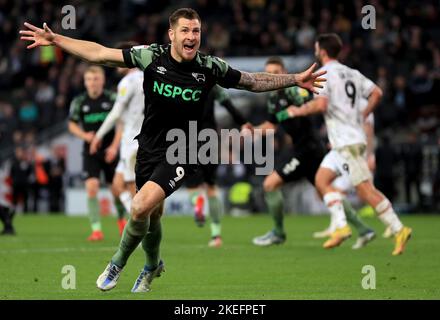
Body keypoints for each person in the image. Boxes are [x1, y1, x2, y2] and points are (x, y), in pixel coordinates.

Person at [20, 7, 325, 293]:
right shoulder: (150, 56)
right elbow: (100, 54)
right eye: (186, 31)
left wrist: (294, 79)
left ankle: (117, 263)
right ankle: (153, 265)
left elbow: (252, 81)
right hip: (149, 147)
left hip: (185, 147)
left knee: (139, 207)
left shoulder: (208, 66)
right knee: (151, 217)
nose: (192, 36)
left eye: (197, 31)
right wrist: (56, 39)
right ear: (172, 34)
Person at [286, 33, 412, 255]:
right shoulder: (351, 73)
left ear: (322, 51)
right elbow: (377, 93)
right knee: (321, 180)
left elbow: (321, 105)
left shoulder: (324, 73)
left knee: (365, 190)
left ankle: (398, 228)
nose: (316, 51)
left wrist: (298, 110)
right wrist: (363, 114)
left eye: (317, 48)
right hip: (344, 142)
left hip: (349, 142)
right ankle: (342, 226)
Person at [245, 57, 373, 248]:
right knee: (325, 192)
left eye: (276, 71)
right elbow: (271, 126)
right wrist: (254, 130)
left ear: (284, 72)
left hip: (308, 149)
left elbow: (312, 105)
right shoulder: (272, 98)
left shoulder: (294, 91)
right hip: (305, 148)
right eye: (269, 72)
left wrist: (295, 110)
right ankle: (363, 229)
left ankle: (278, 233)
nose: (272, 75)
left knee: (270, 184)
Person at [90, 42, 145, 236]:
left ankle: (140, 228)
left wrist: (98, 135)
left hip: (132, 141)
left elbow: (115, 114)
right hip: (146, 139)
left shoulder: (128, 82)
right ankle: (139, 221)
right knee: (116, 186)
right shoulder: (151, 76)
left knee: (134, 190)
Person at [185, 84, 248, 248]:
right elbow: (229, 105)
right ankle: (216, 236)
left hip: (187, 136)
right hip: (210, 137)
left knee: (192, 187)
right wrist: (243, 122)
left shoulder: (181, 81)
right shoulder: (213, 85)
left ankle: (197, 201)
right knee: (211, 187)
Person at [68, 65, 125, 241]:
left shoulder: (112, 98)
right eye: (89, 80)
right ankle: (96, 230)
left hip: (110, 150)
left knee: (116, 190)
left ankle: (122, 220)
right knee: (91, 187)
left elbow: (121, 124)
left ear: (102, 81)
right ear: (85, 82)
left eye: (96, 79)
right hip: (91, 150)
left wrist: (114, 146)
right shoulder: (79, 101)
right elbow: (71, 124)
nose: (92, 83)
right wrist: (85, 135)